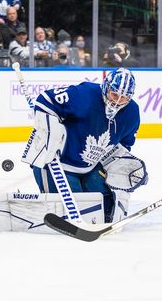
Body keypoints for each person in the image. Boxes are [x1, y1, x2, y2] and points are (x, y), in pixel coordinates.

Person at [21, 68, 145, 224]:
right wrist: (50, 133)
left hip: (90, 166)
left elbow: (121, 147)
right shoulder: (84, 94)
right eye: (114, 94)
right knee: (72, 213)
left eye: (124, 98)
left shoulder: (132, 112)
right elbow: (45, 100)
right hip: (56, 164)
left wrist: (127, 169)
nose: (117, 101)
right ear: (106, 87)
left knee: (107, 210)